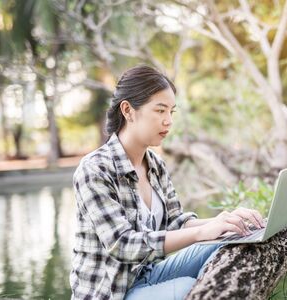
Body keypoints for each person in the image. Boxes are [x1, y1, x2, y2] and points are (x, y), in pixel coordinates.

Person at [69, 65, 265, 300]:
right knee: (188, 286)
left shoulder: (155, 164)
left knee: (229, 242)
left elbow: (175, 222)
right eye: (160, 111)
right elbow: (122, 244)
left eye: (172, 111)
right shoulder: (95, 169)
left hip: (147, 274)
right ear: (128, 110)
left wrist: (224, 221)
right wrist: (202, 232)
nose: (169, 121)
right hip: (111, 293)